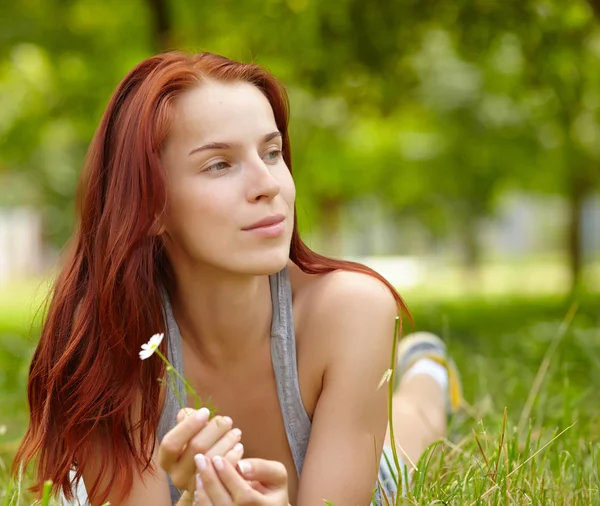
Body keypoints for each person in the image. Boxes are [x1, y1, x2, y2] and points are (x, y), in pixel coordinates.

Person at [12, 51, 463, 506]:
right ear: (150, 207)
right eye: (219, 164)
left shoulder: (353, 309)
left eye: (272, 152)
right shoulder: (102, 337)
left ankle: (427, 371)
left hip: (348, 470)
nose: (268, 183)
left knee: (410, 429)